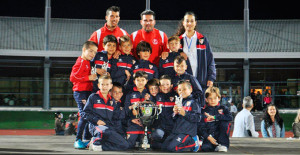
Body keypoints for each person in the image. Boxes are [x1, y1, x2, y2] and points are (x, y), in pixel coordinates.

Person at [175, 12, 216, 102]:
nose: (189, 23)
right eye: (187, 21)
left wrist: (211, 77)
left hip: (201, 80)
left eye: (192, 21)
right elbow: (172, 58)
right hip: (185, 82)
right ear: (183, 23)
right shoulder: (178, 40)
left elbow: (210, 60)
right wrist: (179, 52)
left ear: (195, 23)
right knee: (186, 107)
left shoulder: (203, 39)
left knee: (200, 107)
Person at [83, 75, 129, 151]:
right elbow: (85, 113)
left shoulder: (113, 102)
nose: (104, 87)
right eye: (102, 84)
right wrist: (97, 120)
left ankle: (99, 146)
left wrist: (125, 109)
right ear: (98, 85)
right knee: (104, 131)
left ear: (111, 86)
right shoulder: (93, 97)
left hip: (109, 128)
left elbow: (117, 118)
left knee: (125, 145)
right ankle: (96, 140)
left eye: (107, 84)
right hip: (96, 126)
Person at [70, 41, 97, 149]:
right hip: (80, 92)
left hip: (87, 92)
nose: (92, 54)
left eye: (94, 52)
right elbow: (72, 78)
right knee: (84, 115)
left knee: (87, 115)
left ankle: (85, 138)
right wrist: (88, 78)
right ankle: (77, 140)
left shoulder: (87, 62)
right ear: (83, 50)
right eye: (90, 51)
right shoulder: (80, 62)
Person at [161, 80, 200, 152]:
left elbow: (198, 118)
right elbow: (175, 118)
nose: (182, 91)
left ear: (190, 89)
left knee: (171, 148)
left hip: (187, 132)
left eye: (184, 89)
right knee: (164, 147)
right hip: (177, 131)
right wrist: (174, 113)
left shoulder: (194, 102)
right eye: (179, 90)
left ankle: (193, 143)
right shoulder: (180, 102)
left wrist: (185, 113)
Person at [198, 87, 232, 152]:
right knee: (206, 149)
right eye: (210, 98)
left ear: (219, 98)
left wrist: (214, 117)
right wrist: (207, 136)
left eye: (215, 98)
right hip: (210, 136)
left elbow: (230, 117)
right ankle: (207, 144)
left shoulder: (223, 108)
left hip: (221, 135)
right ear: (206, 100)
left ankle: (223, 145)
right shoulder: (203, 111)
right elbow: (200, 127)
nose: (212, 100)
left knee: (225, 123)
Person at [124, 71, 150, 148]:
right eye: (138, 80)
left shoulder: (149, 94)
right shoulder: (130, 94)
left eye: (142, 80)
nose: (140, 82)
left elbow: (153, 111)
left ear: (146, 81)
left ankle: (140, 140)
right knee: (129, 145)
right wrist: (131, 119)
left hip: (146, 124)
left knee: (146, 145)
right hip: (133, 123)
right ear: (134, 81)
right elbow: (126, 109)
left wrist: (147, 101)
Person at [151, 75, 176, 149]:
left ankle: (166, 143)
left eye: (167, 84)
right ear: (160, 87)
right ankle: (163, 143)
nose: (165, 87)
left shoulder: (176, 96)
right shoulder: (157, 96)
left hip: (172, 127)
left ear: (171, 85)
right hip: (161, 127)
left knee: (170, 145)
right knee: (156, 137)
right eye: (162, 85)